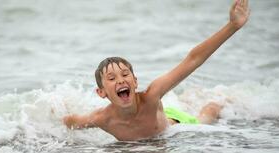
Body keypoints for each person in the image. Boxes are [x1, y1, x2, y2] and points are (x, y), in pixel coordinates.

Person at [63, 0, 250, 141]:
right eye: (111, 78)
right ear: (101, 92)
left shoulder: (151, 96)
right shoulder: (102, 119)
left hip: (176, 126)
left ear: (135, 82)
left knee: (207, 114)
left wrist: (232, 26)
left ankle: (227, 101)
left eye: (125, 75)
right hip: (158, 119)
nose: (120, 80)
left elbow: (193, 60)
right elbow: (71, 122)